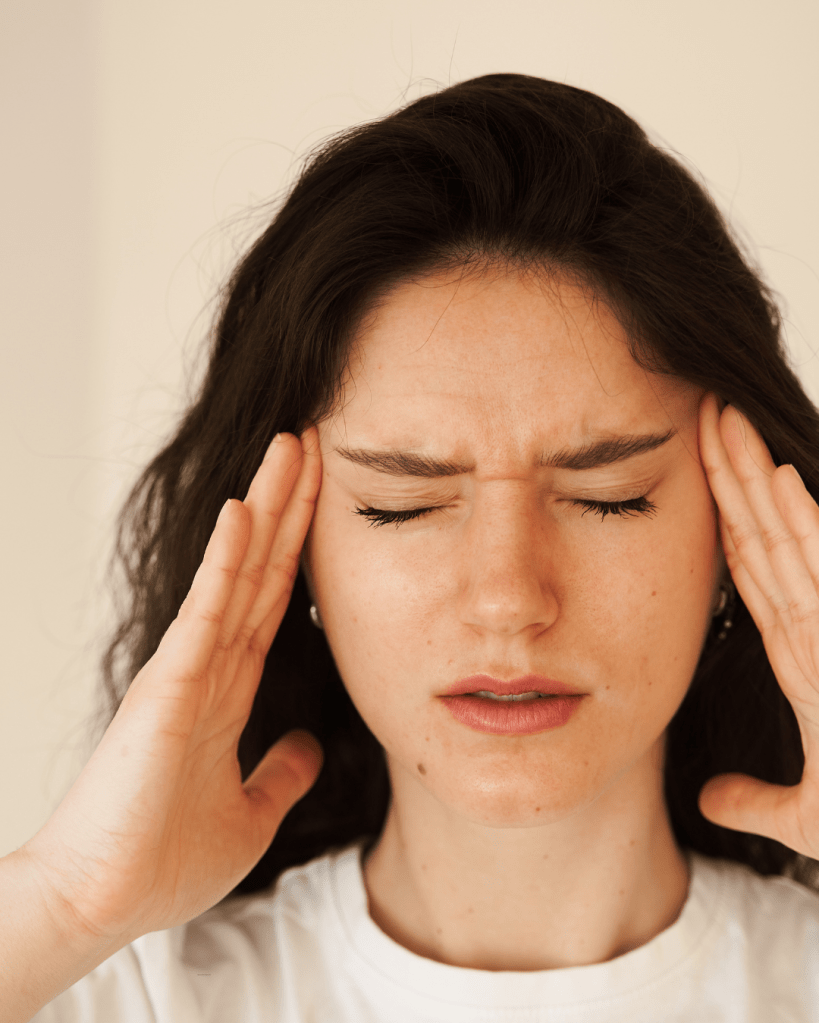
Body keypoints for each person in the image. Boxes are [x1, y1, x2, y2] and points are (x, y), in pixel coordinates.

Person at [4, 73, 819, 1022]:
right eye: (401, 504)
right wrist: (64, 902)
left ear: (734, 538)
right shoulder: (132, 998)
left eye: (608, 496)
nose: (508, 596)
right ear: (296, 554)